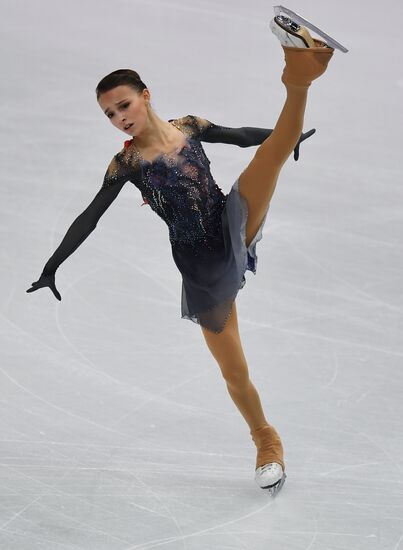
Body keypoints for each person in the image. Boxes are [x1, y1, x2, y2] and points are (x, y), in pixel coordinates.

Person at [27, 13, 336, 495]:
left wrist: (286, 139)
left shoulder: (188, 126)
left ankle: (301, 65)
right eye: (109, 114)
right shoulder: (126, 163)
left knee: (271, 154)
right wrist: (52, 265)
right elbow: (90, 216)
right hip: (200, 266)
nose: (119, 118)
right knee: (234, 370)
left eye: (123, 105)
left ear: (145, 95)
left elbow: (238, 136)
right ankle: (266, 441)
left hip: (232, 218)